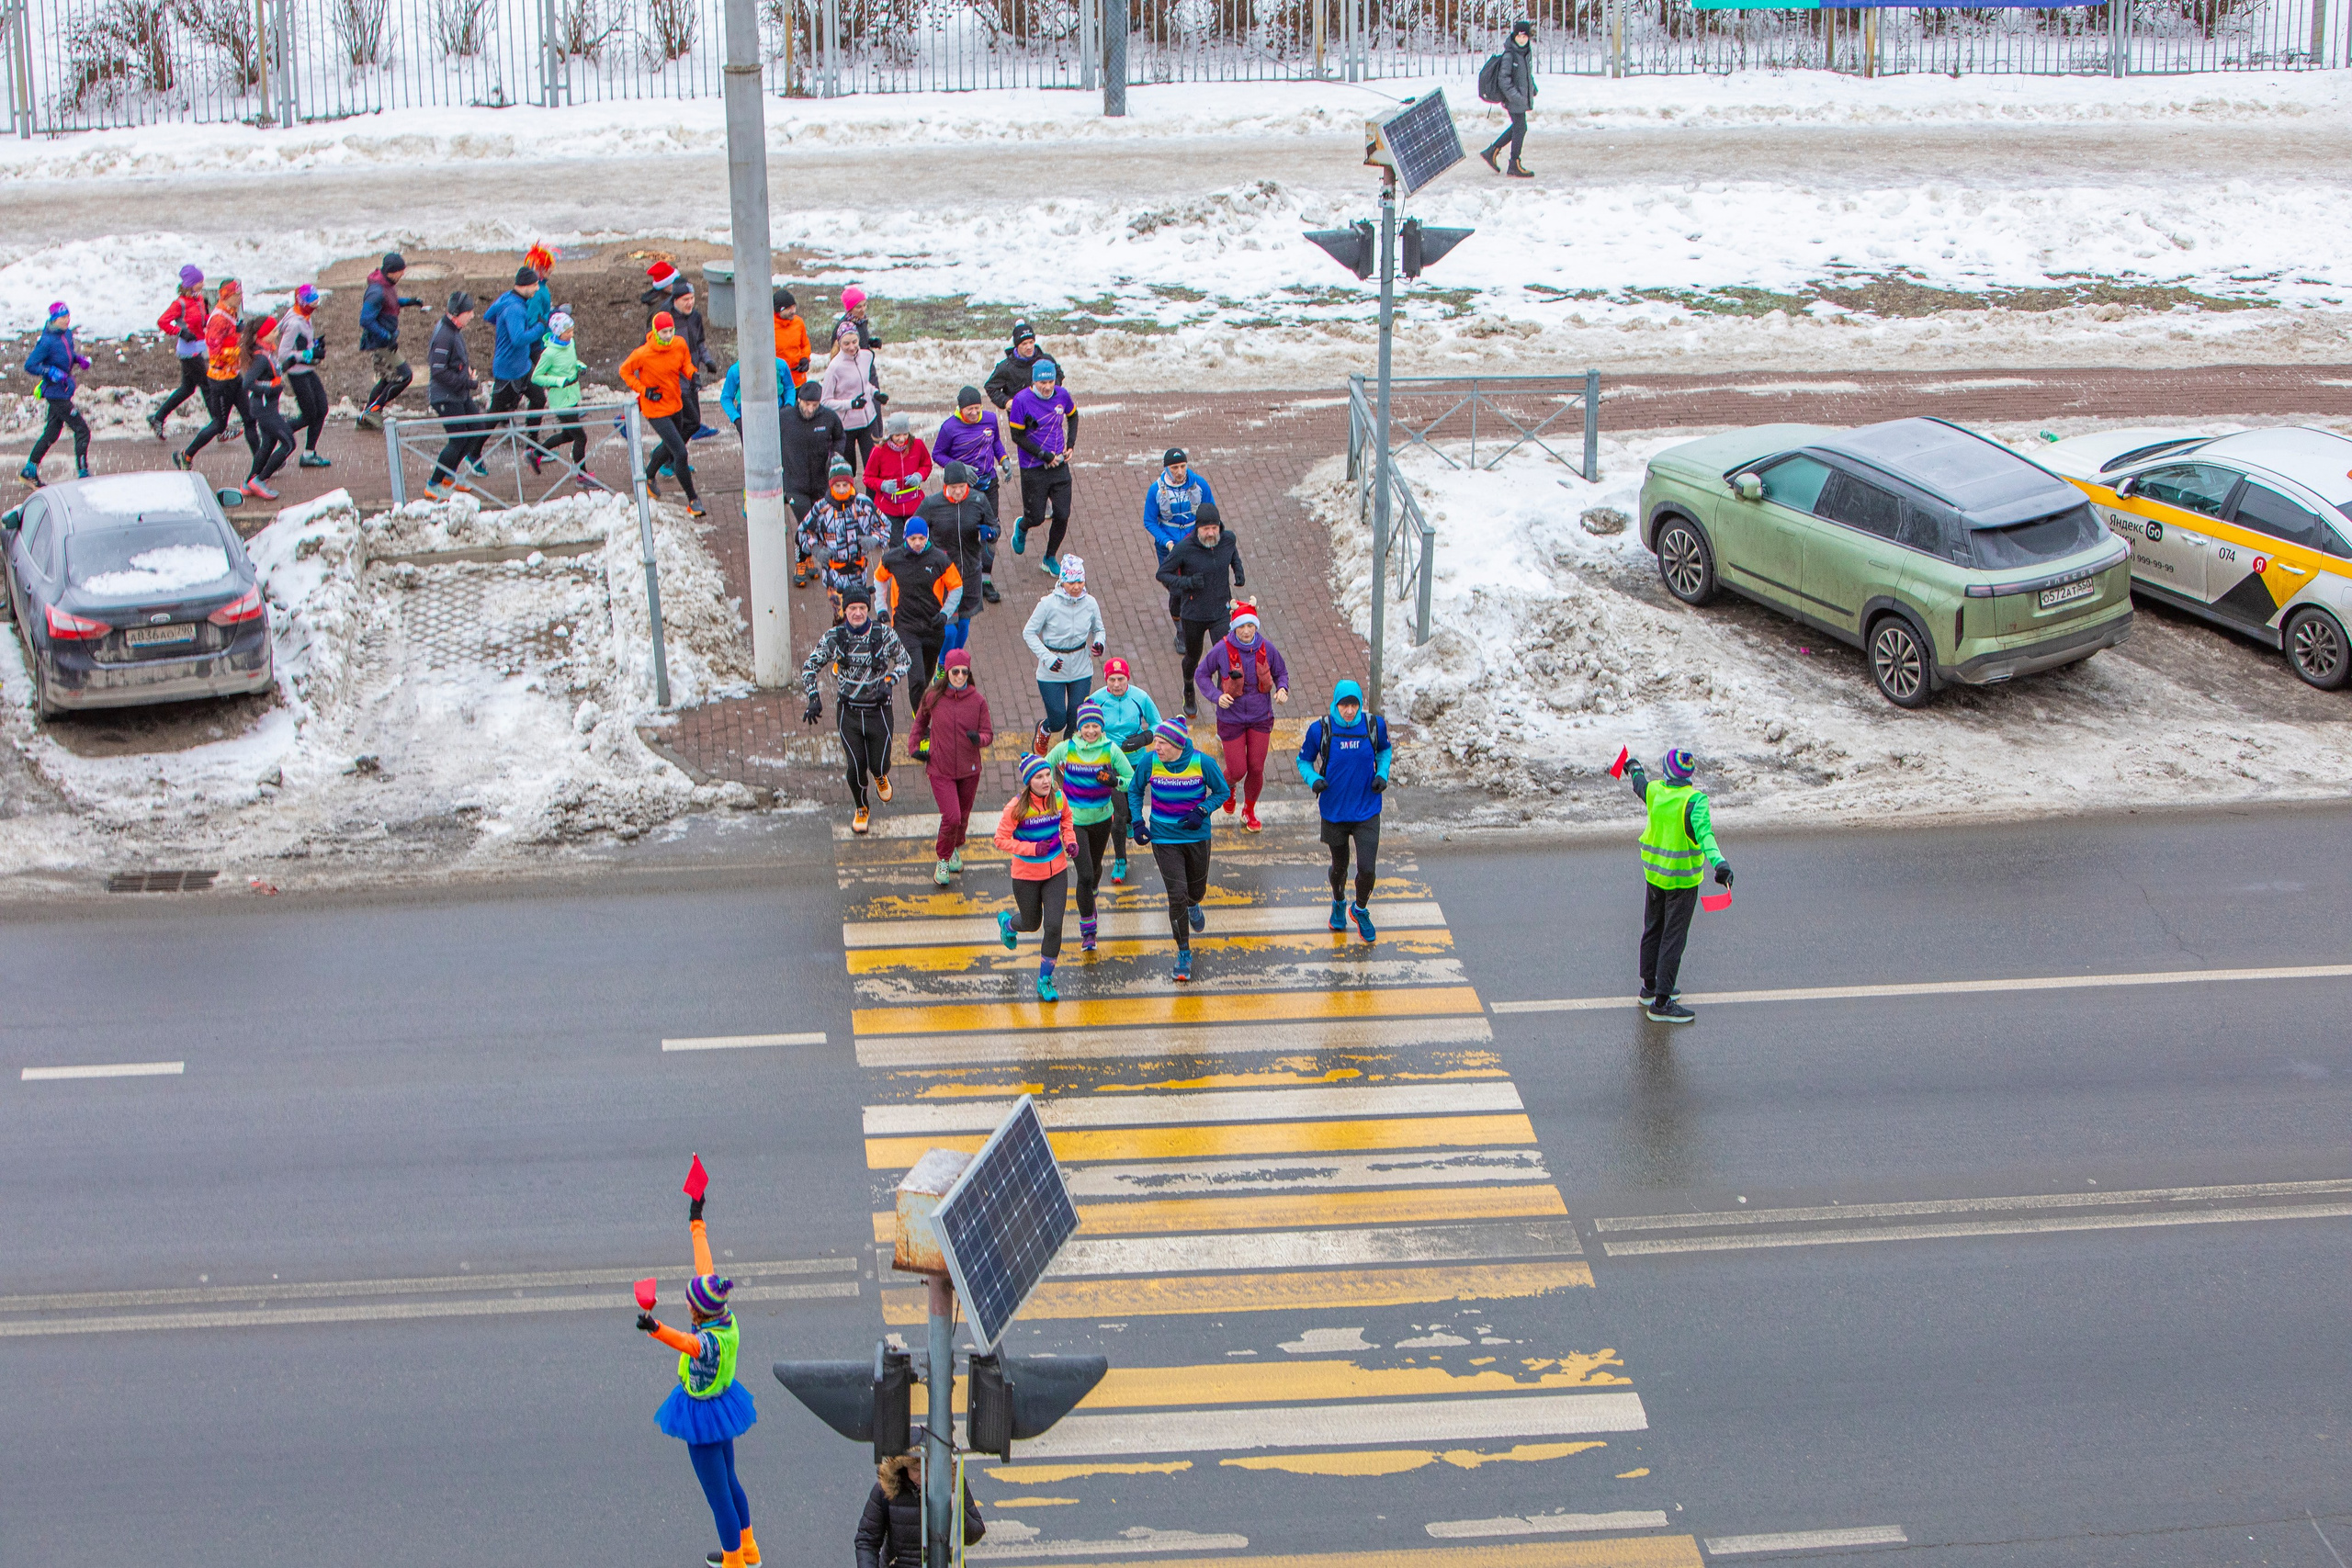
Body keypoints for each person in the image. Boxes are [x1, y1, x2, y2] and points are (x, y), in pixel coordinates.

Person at [633, 1174, 762, 1568]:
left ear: (696, 1312)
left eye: (689, 1303)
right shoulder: (725, 1318)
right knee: (731, 1483)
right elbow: (704, 1265)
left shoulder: (705, 1343)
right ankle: (750, 1549)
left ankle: (734, 1561)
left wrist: (654, 1329)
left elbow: (684, 1344)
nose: (687, 1304)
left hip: (702, 1415)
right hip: (723, 1407)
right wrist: (696, 1219)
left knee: (717, 1494)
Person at [1622, 747, 1732, 1024]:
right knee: (1673, 938)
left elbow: (1639, 783)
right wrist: (1720, 865)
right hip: (1682, 881)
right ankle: (1662, 1002)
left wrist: (1632, 765)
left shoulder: (1656, 792)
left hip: (1655, 876)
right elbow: (1706, 837)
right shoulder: (1695, 801)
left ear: (1666, 772)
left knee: (1653, 929)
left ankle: (1649, 986)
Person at [1126, 716, 1230, 983]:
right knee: (1177, 895)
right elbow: (1135, 790)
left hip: (1196, 836)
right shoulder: (1150, 762)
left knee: (1196, 892)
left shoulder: (1202, 763)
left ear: (1178, 744)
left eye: (1162, 742)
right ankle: (1183, 951)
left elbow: (1222, 792)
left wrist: (1202, 810)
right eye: (1156, 741)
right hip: (1164, 838)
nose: (1156, 747)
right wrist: (1137, 822)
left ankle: (1194, 904)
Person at [800, 583, 909, 835]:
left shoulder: (885, 635)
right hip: (849, 713)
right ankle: (861, 807)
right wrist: (813, 697)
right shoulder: (834, 638)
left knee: (879, 763)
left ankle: (881, 775)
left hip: (879, 710)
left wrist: (890, 680)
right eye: (852, 608)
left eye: (862, 608)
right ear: (845, 610)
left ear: (868, 610)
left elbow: (905, 660)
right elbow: (809, 666)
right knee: (855, 766)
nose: (857, 613)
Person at [1298, 678, 1391, 942]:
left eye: (1353, 704)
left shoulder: (1374, 726)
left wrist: (1382, 774)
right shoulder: (1321, 730)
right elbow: (1303, 760)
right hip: (1334, 812)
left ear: (1360, 704)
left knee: (1368, 869)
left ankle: (1359, 909)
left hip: (1367, 810)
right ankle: (1338, 902)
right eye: (1343, 705)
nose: (1349, 710)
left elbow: (1384, 750)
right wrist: (1313, 779)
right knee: (1340, 867)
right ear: (1335, 704)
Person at [1046, 701, 1135, 954]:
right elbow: (1044, 765)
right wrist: (1053, 787)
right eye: (1087, 726)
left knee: (1094, 870)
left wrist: (1115, 781)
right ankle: (1088, 931)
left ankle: (1092, 889)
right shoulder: (1067, 748)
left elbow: (1131, 781)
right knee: (1084, 875)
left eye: (1095, 726)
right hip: (1073, 823)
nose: (1091, 731)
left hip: (1102, 819)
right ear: (1079, 727)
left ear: (1101, 727)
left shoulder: (1111, 750)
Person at [1193, 602, 1288, 832]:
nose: (1246, 631)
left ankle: (1249, 810)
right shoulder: (1221, 649)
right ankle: (1228, 787)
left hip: (1260, 717)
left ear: (1256, 626)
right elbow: (1202, 674)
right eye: (1241, 626)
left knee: (1256, 767)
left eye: (1250, 625)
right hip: (1231, 719)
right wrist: (1217, 696)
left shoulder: (1267, 648)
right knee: (1236, 770)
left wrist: (1282, 688)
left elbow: (1281, 672)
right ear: (1233, 627)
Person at [994, 753, 1079, 1002]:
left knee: (1053, 927)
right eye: (1038, 777)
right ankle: (1008, 924)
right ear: (1028, 781)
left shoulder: (1059, 798)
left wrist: (1070, 841)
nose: (1045, 781)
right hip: (1026, 875)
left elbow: (1067, 821)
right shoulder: (1016, 808)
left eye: (1047, 775)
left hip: (1056, 873)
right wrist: (1032, 849)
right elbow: (1000, 840)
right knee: (1031, 924)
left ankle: (1045, 980)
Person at [1156, 503, 1247, 716]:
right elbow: (1162, 574)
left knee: (1225, 656)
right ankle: (1189, 687)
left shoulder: (1227, 539)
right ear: (1197, 528)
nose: (1211, 533)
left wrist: (1238, 571)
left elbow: (1233, 554)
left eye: (1214, 528)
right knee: (1192, 657)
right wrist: (1187, 583)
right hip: (1194, 614)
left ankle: (1220, 698)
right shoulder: (1185, 548)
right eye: (1206, 529)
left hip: (1221, 611)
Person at [911, 648, 990, 886]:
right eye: (955, 671)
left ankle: (955, 847)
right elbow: (920, 724)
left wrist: (980, 739)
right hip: (940, 769)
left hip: (969, 770)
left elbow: (988, 733)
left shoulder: (978, 701)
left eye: (964, 672)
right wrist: (915, 747)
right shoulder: (933, 697)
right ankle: (943, 860)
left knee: (963, 818)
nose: (959, 676)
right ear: (947, 672)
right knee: (952, 816)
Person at [874, 514, 961, 714]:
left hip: (933, 626)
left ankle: (923, 701)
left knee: (928, 673)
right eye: (913, 539)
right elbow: (879, 578)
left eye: (922, 538)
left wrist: (945, 614)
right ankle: (919, 715)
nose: (918, 543)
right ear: (905, 538)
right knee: (917, 677)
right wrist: (881, 607)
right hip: (905, 626)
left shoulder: (939, 559)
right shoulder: (892, 558)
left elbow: (956, 587)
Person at [621, 310, 706, 518]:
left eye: (670, 331)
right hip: (655, 409)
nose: (668, 336)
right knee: (680, 452)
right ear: (656, 332)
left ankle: (648, 476)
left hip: (675, 404)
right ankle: (693, 499)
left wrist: (692, 374)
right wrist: (644, 390)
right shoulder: (643, 353)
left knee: (669, 447)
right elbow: (625, 371)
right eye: (664, 332)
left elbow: (685, 362)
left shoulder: (678, 344)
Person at [933, 386, 1009, 605]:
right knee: (962, 533)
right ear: (960, 409)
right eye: (969, 410)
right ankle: (959, 580)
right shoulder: (949, 428)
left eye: (977, 408)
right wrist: (960, 468)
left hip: (988, 484)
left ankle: (985, 581)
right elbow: (937, 454)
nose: (974, 413)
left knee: (991, 533)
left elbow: (995, 443)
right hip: (963, 490)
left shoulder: (991, 420)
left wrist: (1003, 459)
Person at [1091, 657, 1160, 886]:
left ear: (1127, 679)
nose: (1117, 684)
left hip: (1135, 763)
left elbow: (1158, 724)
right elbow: (1084, 727)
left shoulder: (1140, 697)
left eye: (1121, 679)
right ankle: (1120, 860)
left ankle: (1132, 818)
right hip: (1109, 763)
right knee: (1118, 817)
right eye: (1112, 679)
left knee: (1133, 803)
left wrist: (1143, 738)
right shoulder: (1096, 700)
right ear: (1106, 680)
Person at [174, 278, 254, 473]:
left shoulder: (231, 314)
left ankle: (261, 462)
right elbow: (214, 354)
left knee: (250, 419)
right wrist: (241, 353)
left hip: (234, 376)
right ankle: (186, 454)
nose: (241, 296)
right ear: (227, 296)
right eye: (237, 294)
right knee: (219, 424)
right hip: (220, 381)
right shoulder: (219, 319)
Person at [1006, 359, 1079, 577]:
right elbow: (1016, 436)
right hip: (1033, 467)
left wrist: (1071, 444)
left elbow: (1073, 416)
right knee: (1036, 517)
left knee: (1062, 514)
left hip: (1059, 465)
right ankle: (1022, 526)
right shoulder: (1021, 401)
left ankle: (1049, 557)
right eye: (1042, 382)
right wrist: (1043, 455)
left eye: (1050, 382)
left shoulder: (1062, 395)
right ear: (1033, 381)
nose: (1047, 387)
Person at [1023, 555, 1106, 747]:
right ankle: (1044, 728)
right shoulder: (1047, 604)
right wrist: (1047, 657)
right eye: (1071, 582)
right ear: (1062, 581)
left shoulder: (1090, 603)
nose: (1076, 587)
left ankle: (1067, 757)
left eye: (1080, 581)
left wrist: (1099, 642)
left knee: (1076, 720)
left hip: (1081, 668)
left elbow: (1099, 629)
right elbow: (1029, 632)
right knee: (1058, 720)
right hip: (1052, 669)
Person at [857, 1448, 982, 1568]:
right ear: (904, 1467)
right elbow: (867, 1540)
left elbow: (974, 1534)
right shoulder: (886, 1490)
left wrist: (952, 1507)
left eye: (929, 1469)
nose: (923, 1476)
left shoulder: (953, 1485)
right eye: (916, 1470)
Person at [798, 457, 888, 622]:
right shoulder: (821, 508)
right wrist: (815, 549)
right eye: (837, 486)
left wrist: (874, 539)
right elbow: (803, 533)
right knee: (841, 618)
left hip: (858, 574)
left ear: (851, 484)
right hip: (834, 576)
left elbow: (884, 527)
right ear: (831, 486)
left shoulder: (864, 504)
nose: (841, 489)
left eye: (845, 485)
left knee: (859, 616)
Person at [1143, 447, 1216, 649]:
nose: (1180, 471)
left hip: (1195, 545)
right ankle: (1181, 631)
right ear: (1167, 468)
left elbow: (1210, 512)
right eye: (1175, 467)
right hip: (1169, 550)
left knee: (1199, 585)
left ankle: (1198, 623)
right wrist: (1168, 541)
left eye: (1183, 466)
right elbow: (1149, 521)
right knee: (1176, 591)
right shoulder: (1156, 490)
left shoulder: (1199, 484)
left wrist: (1204, 536)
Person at [920, 462, 994, 654]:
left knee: (963, 624)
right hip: (944, 576)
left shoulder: (979, 500)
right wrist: (928, 552)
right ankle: (943, 664)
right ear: (945, 486)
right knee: (949, 628)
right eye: (954, 488)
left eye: (962, 487)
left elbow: (994, 525)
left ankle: (956, 660)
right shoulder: (931, 504)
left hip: (971, 572)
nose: (958, 492)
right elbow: (914, 533)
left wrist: (991, 534)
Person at [780, 379, 846, 586]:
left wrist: (835, 454)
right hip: (794, 482)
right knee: (804, 525)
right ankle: (801, 562)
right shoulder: (784, 417)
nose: (810, 409)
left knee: (817, 523)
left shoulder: (828, 417)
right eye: (806, 404)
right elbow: (767, 438)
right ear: (799, 400)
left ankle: (809, 561)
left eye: (814, 405)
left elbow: (840, 437)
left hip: (820, 482)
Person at [482, 266, 548, 468]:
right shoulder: (515, 309)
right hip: (509, 371)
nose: (537, 288)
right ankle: (473, 454)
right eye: (535, 284)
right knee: (495, 414)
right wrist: (539, 327)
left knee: (538, 398)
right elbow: (519, 339)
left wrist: (505, 325)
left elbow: (489, 315)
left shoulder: (506, 299)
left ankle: (531, 443)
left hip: (523, 366)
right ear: (526, 285)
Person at [20, 302, 92, 484]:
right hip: (55, 392)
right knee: (82, 430)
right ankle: (83, 472)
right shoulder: (46, 341)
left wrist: (78, 359)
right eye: (63, 317)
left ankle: (30, 470)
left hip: (64, 389)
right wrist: (49, 371)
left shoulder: (66, 334)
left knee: (51, 433)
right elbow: (30, 365)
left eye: (68, 316)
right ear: (54, 319)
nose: (67, 320)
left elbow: (66, 354)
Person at [424, 291, 485, 502]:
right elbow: (438, 371)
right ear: (457, 314)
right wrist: (467, 381)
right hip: (445, 397)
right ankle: (433, 483)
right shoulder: (444, 335)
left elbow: (451, 363)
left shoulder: (454, 330)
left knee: (476, 430)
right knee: (458, 440)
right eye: (469, 312)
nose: (473, 316)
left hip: (459, 393)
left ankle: (450, 475)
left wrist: (463, 373)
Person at [356, 252, 424, 430]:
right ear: (391, 271)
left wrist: (409, 302)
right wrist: (386, 337)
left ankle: (366, 418)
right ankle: (373, 411)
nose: (403, 274)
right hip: (381, 343)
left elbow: (390, 302)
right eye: (401, 271)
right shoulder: (376, 291)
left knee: (387, 380)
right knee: (405, 376)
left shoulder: (387, 285)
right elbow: (365, 320)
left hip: (385, 341)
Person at [530, 310, 597, 485]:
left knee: (568, 435)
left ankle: (535, 453)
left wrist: (579, 365)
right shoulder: (549, 354)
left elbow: (570, 362)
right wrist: (559, 381)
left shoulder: (570, 343)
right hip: (560, 400)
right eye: (568, 332)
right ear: (558, 332)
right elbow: (536, 377)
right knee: (580, 437)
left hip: (572, 395)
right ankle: (581, 475)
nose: (571, 334)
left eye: (572, 330)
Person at [148, 265, 209, 440]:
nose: (202, 284)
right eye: (199, 282)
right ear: (190, 284)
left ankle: (157, 417)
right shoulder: (180, 304)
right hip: (188, 352)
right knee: (207, 386)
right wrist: (180, 332)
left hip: (199, 347)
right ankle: (220, 428)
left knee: (187, 389)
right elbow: (162, 322)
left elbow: (202, 321)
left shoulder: (199, 299)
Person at [237, 315, 296, 500]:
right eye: (272, 331)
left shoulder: (267, 353)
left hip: (267, 407)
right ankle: (260, 479)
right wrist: (270, 388)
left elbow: (272, 373)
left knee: (268, 445)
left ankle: (248, 483)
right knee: (289, 443)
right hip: (264, 409)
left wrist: (289, 364)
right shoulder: (261, 358)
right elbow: (247, 383)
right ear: (262, 335)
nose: (276, 333)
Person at [277, 285, 331, 468]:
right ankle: (277, 434)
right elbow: (283, 354)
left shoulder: (305, 317)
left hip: (307, 371)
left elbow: (303, 344)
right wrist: (309, 354)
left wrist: (315, 345)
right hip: (297, 374)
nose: (315, 304)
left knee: (322, 409)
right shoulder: (294, 323)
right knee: (309, 415)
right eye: (312, 301)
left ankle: (309, 454)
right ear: (302, 302)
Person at [820, 319, 881, 473]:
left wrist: (875, 393)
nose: (852, 347)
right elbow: (825, 401)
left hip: (868, 420)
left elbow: (863, 383)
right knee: (847, 470)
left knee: (873, 466)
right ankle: (849, 497)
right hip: (846, 426)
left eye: (854, 342)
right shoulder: (834, 368)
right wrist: (850, 404)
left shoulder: (867, 356)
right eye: (846, 344)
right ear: (839, 344)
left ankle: (871, 498)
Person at [863, 412, 933, 547]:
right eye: (897, 435)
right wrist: (882, 485)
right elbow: (867, 478)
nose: (902, 439)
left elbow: (926, 465)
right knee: (898, 547)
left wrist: (919, 475)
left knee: (917, 543)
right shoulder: (879, 451)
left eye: (905, 434)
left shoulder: (917, 445)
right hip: (889, 507)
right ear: (890, 435)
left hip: (914, 505)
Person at [1480, 19, 1537, 179]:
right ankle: (1513, 163)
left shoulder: (1525, 53)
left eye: (1524, 37)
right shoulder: (1509, 55)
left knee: (1519, 127)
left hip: (1520, 97)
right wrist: (1516, 97)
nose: (1521, 40)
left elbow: (1526, 75)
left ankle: (1492, 151)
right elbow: (1504, 80)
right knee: (1520, 127)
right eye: (1519, 37)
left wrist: (1532, 88)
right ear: (1514, 36)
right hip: (1514, 99)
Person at [671, 282, 718, 440]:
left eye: (692, 298)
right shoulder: (667, 320)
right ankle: (669, 456)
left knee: (693, 422)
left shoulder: (695, 317)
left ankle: (671, 455)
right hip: (676, 378)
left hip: (692, 376)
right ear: (675, 300)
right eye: (686, 299)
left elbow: (699, 344)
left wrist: (708, 361)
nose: (690, 302)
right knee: (686, 422)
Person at [983, 321, 1043, 411]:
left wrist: (1049, 392)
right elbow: (990, 387)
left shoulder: (1044, 360)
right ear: (1017, 345)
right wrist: (1006, 401)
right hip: (1019, 416)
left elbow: (1058, 376)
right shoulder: (1006, 367)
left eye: (1031, 342)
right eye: (1024, 344)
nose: (1029, 347)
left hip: (1043, 412)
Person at [771, 288, 812, 389]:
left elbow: (805, 344)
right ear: (778, 310)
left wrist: (805, 358)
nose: (793, 311)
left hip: (798, 380)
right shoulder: (768, 327)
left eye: (794, 307)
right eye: (788, 308)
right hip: (779, 384)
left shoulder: (799, 322)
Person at [830, 283, 881, 356]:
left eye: (864, 305)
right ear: (850, 309)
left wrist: (871, 342)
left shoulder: (862, 320)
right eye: (859, 307)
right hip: (854, 365)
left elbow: (860, 341)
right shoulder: (843, 327)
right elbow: (835, 353)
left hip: (866, 363)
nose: (863, 309)